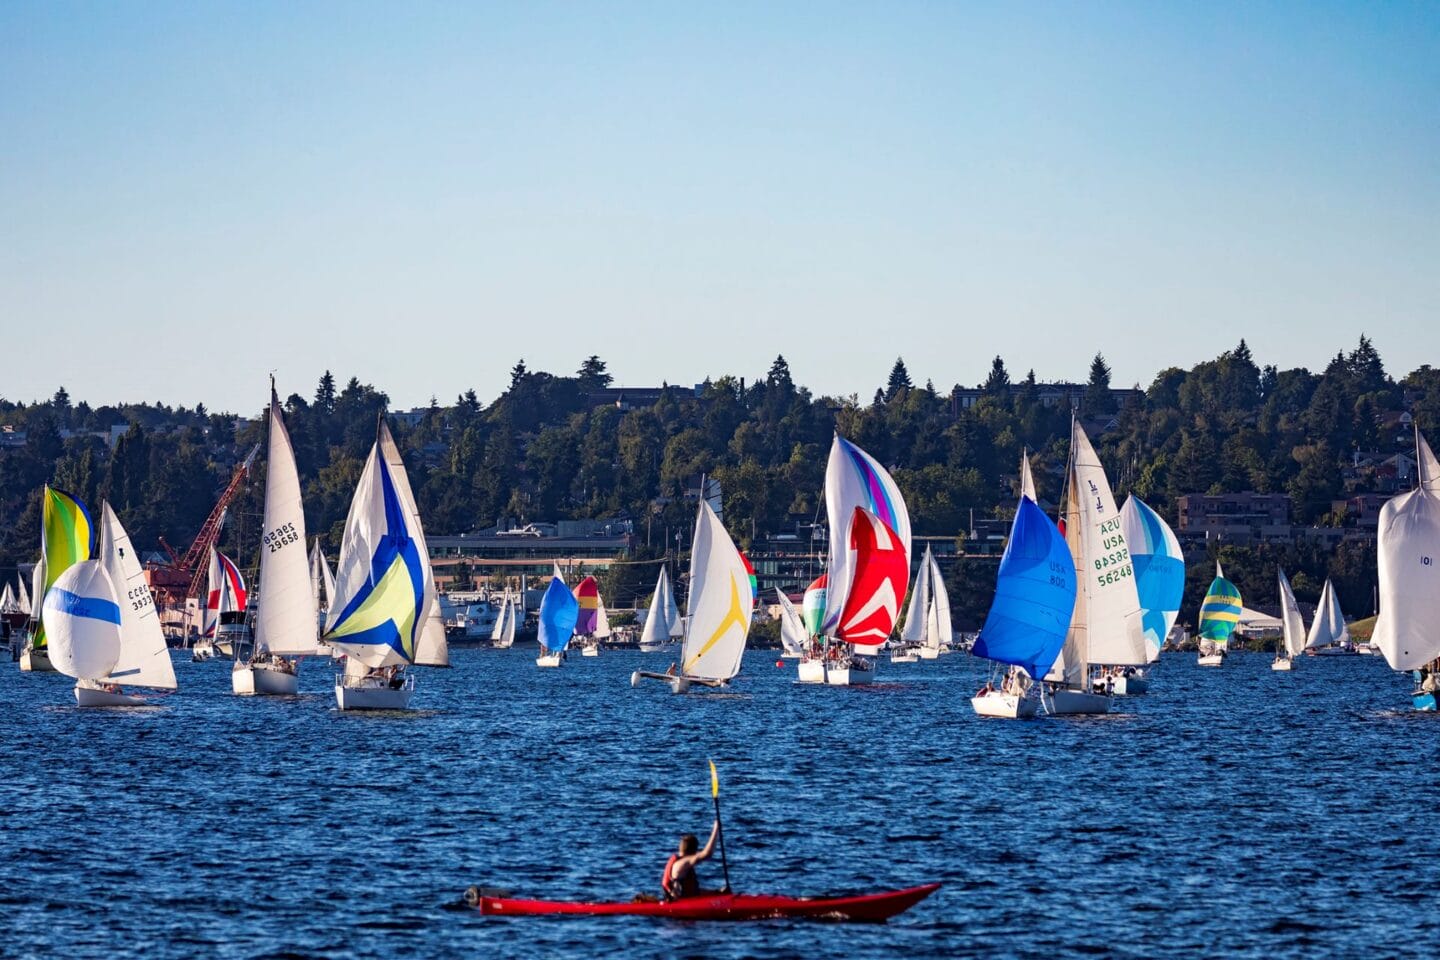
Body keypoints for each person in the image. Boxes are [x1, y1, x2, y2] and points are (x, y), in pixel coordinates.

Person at [661, 819, 721, 901]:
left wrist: (716, 892)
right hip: (680, 905)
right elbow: (707, 854)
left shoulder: (682, 863)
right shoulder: (682, 864)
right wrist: (716, 828)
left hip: (686, 900)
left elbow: (693, 891)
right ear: (694, 850)